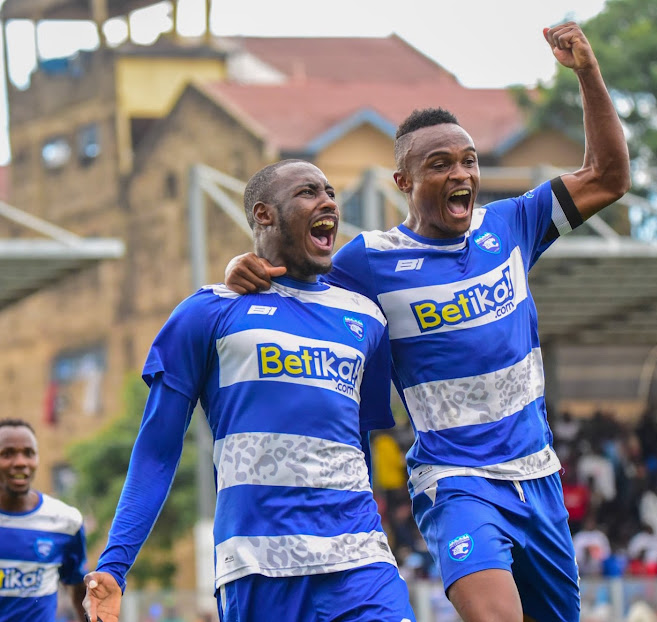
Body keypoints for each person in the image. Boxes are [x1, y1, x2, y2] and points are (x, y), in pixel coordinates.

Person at [225, 22, 630, 622]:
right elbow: (293, 273)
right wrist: (241, 264)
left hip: (538, 476)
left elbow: (608, 177)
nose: (461, 174)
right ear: (404, 183)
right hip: (457, 480)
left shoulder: (512, 225)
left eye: (468, 161)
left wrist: (588, 75)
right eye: (440, 164)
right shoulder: (370, 261)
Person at [83, 160, 415, 622]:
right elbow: (157, 451)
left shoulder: (366, 318)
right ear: (264, 215)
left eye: (331, 192)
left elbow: (359, 442)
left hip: (359, 560)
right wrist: (114, 566)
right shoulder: (207, 313)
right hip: (258, 568)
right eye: (307, 192)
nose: (328, 202)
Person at [0, 418, 88, 622]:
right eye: (7, 454)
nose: (21, 462)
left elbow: (78, 587)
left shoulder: (65, 522)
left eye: (29, 453)